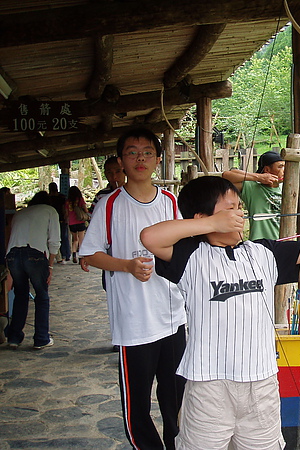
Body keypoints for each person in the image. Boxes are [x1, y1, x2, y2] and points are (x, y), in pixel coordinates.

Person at [140, 176, 300, 449]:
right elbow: (149, 237)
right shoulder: (190, 255)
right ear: (201, 217)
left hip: (261, 382)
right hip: (209, 385)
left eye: (240, 206)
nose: (240, 213)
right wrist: (209, 225)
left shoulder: (262, 252)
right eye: (229, 209)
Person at [78, 127, 186, 450]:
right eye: (132, 152)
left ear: (157, 159)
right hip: (134, 324)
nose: (140, 158)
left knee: (176, 403)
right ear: (121, 161)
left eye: (147, 152)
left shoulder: (169, 202)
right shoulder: (109, 206)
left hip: (173, 320)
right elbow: (90, 253)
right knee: (136, 409)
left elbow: (184, 247)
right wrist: (125, 265)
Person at [4, 190, 60, 350]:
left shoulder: (20, 213)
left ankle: (14, 336)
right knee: (42, 295)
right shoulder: (50, 211)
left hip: (13, 254)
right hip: (35, 253)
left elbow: (11, 237)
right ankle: (41, 337)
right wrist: (50, 266)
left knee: (21, 295)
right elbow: (54, 240)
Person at [48, 182, 71, 264]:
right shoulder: (62, 197)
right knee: (64, 237)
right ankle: (66, 255)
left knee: (54, 237)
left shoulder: (48, 198)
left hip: (52, 220)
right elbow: (65, 209)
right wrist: (66, 217)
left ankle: (58, 256)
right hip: (62, 219)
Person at [65, 186, 89, 264]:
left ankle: (74, 254)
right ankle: (81, 257)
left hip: (71, 223)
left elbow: (66, 213)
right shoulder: (80, 200)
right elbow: (85, 209)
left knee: (75, 240)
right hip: (80, 222)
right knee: (81, 240)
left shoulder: (67, 201)